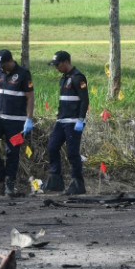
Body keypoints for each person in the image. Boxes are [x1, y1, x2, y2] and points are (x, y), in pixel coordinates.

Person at [0, 49, 34, 196]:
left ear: (10, 61)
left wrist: (29, 119)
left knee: (12, 152)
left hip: (16, 122)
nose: (1, 67)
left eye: (3, 64)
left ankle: (9, 184)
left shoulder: (23, 74)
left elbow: (30, 97)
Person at [42, 50, 89, 195]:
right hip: (62, 120)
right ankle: (55, 179)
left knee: (72, 153)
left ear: (66, 62)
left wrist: (80, 119)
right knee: (52, 147)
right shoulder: (63, 79)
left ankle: (77, 183)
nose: (56, 68)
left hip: (74, 121)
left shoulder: (78, 78)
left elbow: (84, 100)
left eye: (58, 64)